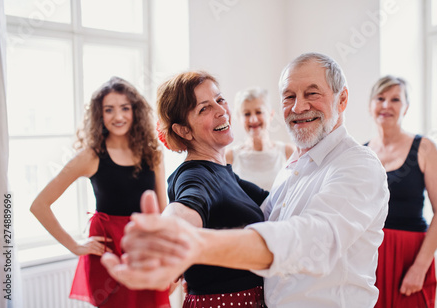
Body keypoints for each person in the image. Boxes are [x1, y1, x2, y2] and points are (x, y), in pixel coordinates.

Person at [102, 52, 390, 308]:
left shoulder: (357, 164)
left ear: (342, 99)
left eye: (312, 93)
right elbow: (188, 205)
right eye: (289, 96)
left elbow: (314, 239)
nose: (299, 107)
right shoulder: (291, 166)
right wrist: (170, 241)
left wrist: (196, 247)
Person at [30, 77, 170, 308]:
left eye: (125, 108)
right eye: (109, 110)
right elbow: (39, 205)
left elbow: (162, 211)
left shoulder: (153, 153)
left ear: (135, 111)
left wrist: (169, 262)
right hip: (108, 254)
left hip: (146, 248)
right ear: (100, 115)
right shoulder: (91, 156)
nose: (118, 116)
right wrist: (75, 246)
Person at [148, 71, 269, 307]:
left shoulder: (226, 174)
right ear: (184, 130)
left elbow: (282, 202)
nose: (220, 110)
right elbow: (185, 207)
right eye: (204, 108)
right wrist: (165, 234)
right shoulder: (195, 175)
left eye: (220, 99)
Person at [365, 76, 437, 308]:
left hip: (410, 256)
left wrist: (420, 267)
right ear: (370, 105)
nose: (386, 105)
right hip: (368, 256)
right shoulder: (360, 153)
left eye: (395, 99)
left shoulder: (424, 148)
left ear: (406, 107)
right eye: (380, 98)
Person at [225, 87, 295, 190]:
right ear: (239, 118)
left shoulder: (289, 152)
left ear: (271, 115)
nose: (253, 119)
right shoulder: (229, 157)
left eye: (259, 112)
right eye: (246, 114)